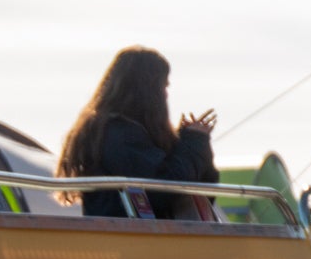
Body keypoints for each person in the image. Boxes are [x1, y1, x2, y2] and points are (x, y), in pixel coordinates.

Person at [56, 46, 217, 219]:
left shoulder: (107, 130)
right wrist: (194, 142)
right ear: (148, 89)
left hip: (121, 236)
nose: (165, 95)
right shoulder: (120, 134)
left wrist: (184, 144)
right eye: (163, 86)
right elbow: (162, 190)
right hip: (133, 238)